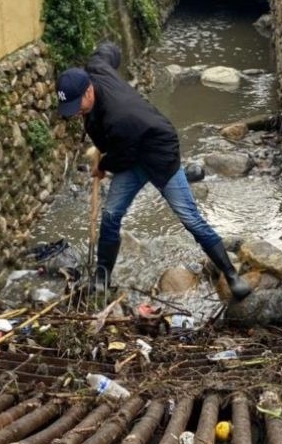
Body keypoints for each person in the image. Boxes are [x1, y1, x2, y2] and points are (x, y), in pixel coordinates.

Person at [56, 41, 252, 300]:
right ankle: (102, 277)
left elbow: (122, 156)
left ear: (89, 90)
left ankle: (230, 274)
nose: (76, 112)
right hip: (128, 152)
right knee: (111, 215)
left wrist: (102, 167)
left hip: (159, 154)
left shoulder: (119, 116)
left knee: (190, 218)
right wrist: (109, 47)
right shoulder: (95, 68)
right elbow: (108, 52)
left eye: (77, 105)